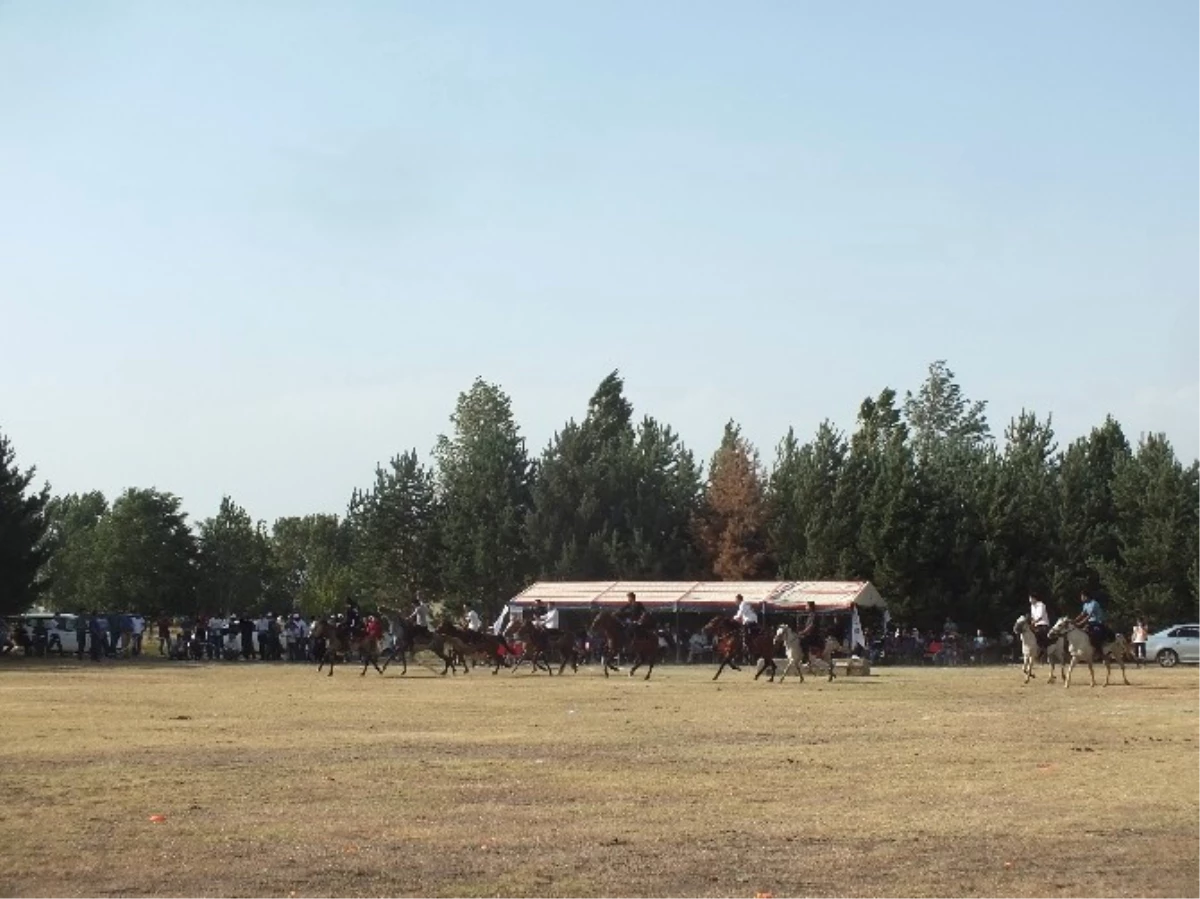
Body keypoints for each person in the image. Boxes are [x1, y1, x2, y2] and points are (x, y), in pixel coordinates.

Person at [1074, 592, 1112, 659]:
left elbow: (1089, 616)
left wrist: (1080, 623)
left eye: (1082, 597)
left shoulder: (1094, 603)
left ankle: (1100, 652)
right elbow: (1082, 614)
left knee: (1095, 635)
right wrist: (1074, 621)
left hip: (1098, 622)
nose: (1081, 598)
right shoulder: (1085, 604)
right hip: (1090, 623)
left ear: (1086, 597)